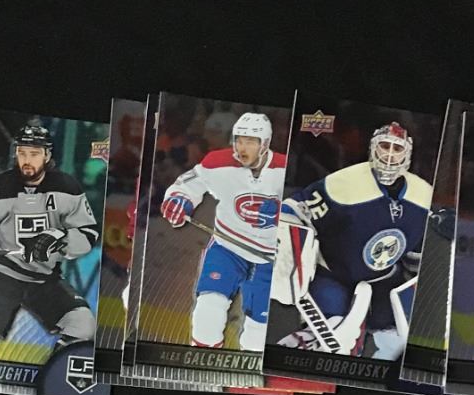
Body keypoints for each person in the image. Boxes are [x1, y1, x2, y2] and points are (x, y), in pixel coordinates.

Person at [0, 121, 99, 358]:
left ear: (47, 155)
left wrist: (60, 239)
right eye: (22, 153)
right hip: (1, 275)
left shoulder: (67, 188)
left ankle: (55, 374)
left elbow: (87, 234)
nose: (27, 160)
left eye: (34, 154)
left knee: (83, 324)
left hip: (44, 278)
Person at [273, 121, 430, 360]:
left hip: (384, 283)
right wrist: (287, 246)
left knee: (396, 342)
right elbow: (295, 208)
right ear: (373, 148)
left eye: (397, 148)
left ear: (407, 154)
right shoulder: (344, 183)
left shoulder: (423, 195)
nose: (389, 154)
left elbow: (416, 255)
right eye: (384, 146)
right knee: (330, 335)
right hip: (332, 274)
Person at [159, 112, 286, 351]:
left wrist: (285, 213)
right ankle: (201, 366)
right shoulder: (218, 162)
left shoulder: (284, 169)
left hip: (271, 258)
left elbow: (306, 208)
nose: (242, 147)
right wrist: (179, 199)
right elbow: (186, 184)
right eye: (239, 140)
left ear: (265, 144)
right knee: (207, 315)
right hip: (228, 247)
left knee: (257, 338)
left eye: (251, 142)